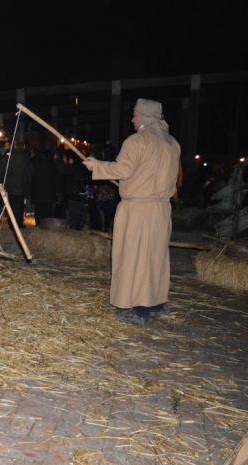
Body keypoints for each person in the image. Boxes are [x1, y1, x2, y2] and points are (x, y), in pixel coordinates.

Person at [83, 99, 181, 326]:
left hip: (138, 209)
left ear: (145, 117)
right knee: (155, 255)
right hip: (161, 210)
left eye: (135, 115)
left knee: (134, 255)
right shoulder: (173, 144)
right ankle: (156, 303)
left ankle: (138, 307)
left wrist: (97, 166)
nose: (132, 119)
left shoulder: (137, 141)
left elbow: (123, 169)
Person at [0, 144, 33, 230]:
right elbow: (29, 173)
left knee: (11, 205)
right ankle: (19, 223)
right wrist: (28, 184)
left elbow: (1, 171)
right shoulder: (25, 159)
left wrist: (6, 181)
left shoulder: (8, 158)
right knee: (20, 206)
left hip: (10, 186)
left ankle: (11, 223)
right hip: (21, 187)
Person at [30, 149, 61, 226]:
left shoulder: (36, 165)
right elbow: (56, 179)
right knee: (47, 211)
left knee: (38, 210)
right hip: (49, 193)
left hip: (38, 192)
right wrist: (57, 191)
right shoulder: (53, 165)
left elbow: (33, 178)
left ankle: (38, 224)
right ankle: (46, 225)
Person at [63, 153, 90, 231]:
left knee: (73, 215)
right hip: (81, 195)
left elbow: (64, 176)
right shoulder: (82, 168)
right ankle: (80, 230)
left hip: (73, 194)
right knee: (79, 215)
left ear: (71, 159)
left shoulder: (71, 168)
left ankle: (74, 231)